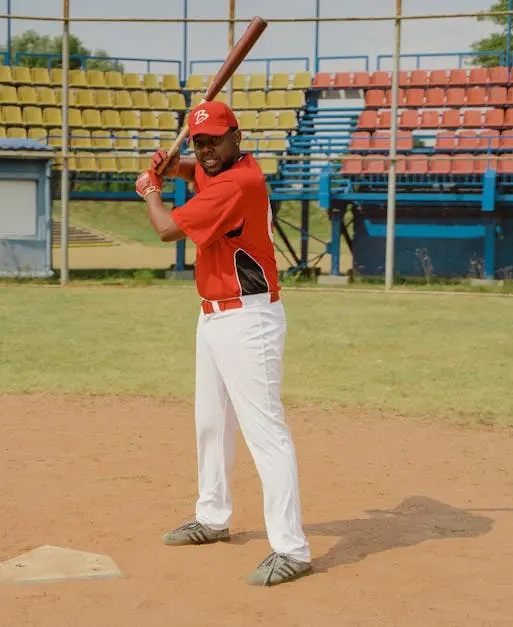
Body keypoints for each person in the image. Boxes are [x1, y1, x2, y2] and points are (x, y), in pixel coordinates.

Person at [134, 100, 312, 587]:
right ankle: (212, 517)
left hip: (248, 320)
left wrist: (151, 190)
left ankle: (291, 548)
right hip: (213, 317)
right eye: (199, 142)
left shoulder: (240, 183)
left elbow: (167, 227)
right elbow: (199, 172)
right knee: (211, 423)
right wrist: (180, 165)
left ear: (238, 138)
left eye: (215, 139)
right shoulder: (223, 170)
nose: (207, 150)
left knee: (265, 433)